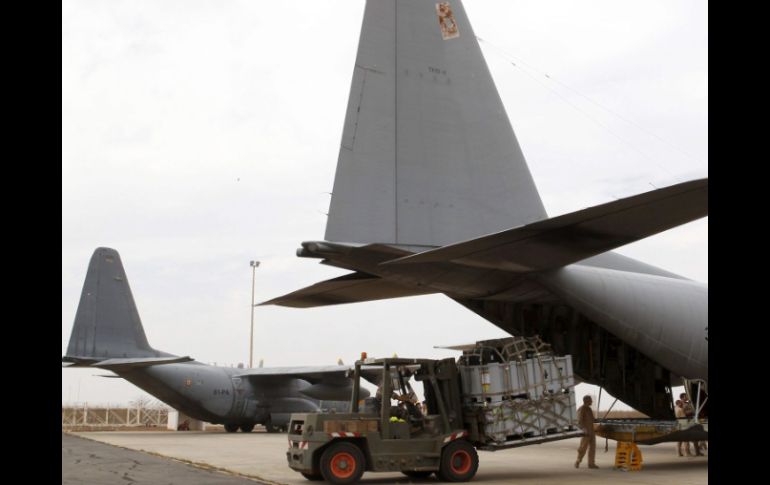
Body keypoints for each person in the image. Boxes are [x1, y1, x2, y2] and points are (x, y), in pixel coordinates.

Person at [575, 395, 599, 469]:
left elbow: (592, 419)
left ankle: (591, 464)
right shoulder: (582, 409)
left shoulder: (589, 409)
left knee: (592, 448)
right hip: (586, 432)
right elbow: (579, 421)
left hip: (591, 432)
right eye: (590, 400)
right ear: (586, 401)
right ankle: (578, 461)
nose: (591, 401)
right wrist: (583, 429)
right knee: (583, 448)